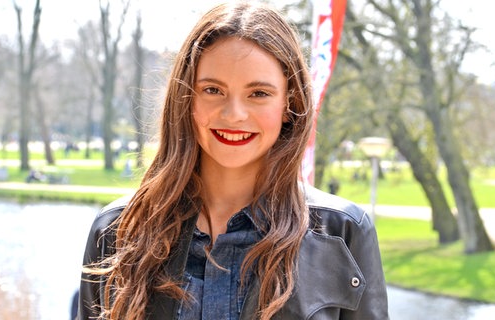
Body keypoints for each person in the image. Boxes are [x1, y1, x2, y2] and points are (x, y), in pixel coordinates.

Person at [78, 2, 388, 320]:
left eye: (259, 93)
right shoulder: (118, 230)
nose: (233, 114)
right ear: (186, 100)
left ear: (289, 103)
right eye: (213, 90)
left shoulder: (342, 232)